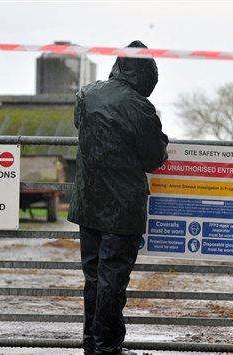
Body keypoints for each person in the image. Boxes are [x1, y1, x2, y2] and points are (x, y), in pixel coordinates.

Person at [68, 40, 169, 355]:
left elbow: (83, 129)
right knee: (113, 279)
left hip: (88, 202)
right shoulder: (139, 107)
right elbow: (155, 157)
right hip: (122, 208)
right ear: (144, 76)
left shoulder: (85, 96)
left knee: (94, 276)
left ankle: (91, 342)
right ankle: (107, 347)